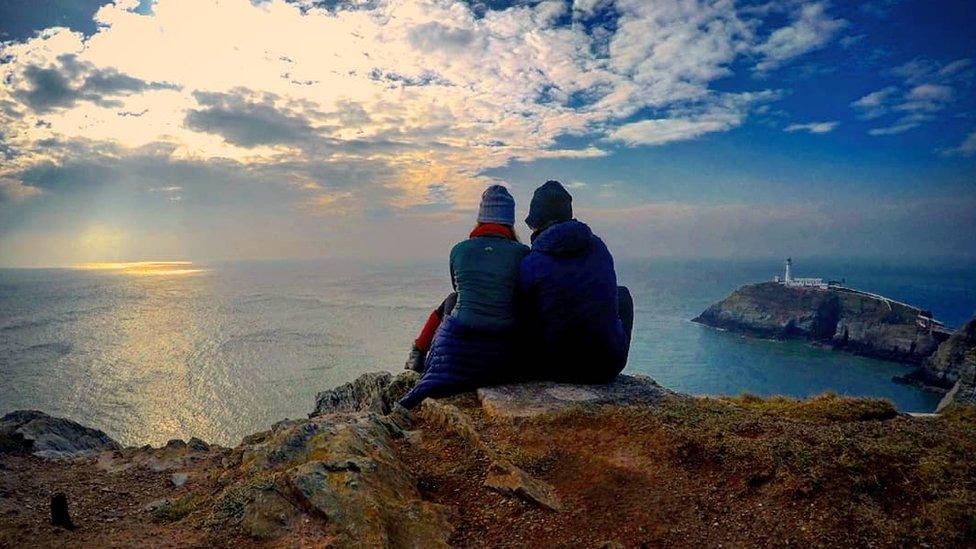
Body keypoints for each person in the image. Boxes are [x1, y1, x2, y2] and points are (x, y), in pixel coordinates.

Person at [399, 185, 529, 409]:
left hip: (460, 348)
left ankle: (417, 352)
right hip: (504, 352)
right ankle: (418, 351)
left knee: (452, 299)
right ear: (510, 221)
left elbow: (459, 290)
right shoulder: (523, 253)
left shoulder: (459, 250)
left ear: (481, 217)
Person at [518, 180, 634, 384]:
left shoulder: (531, 263)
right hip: (607, 366)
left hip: (555, 369)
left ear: (537, 222)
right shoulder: (598, 246)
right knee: (622, 294)